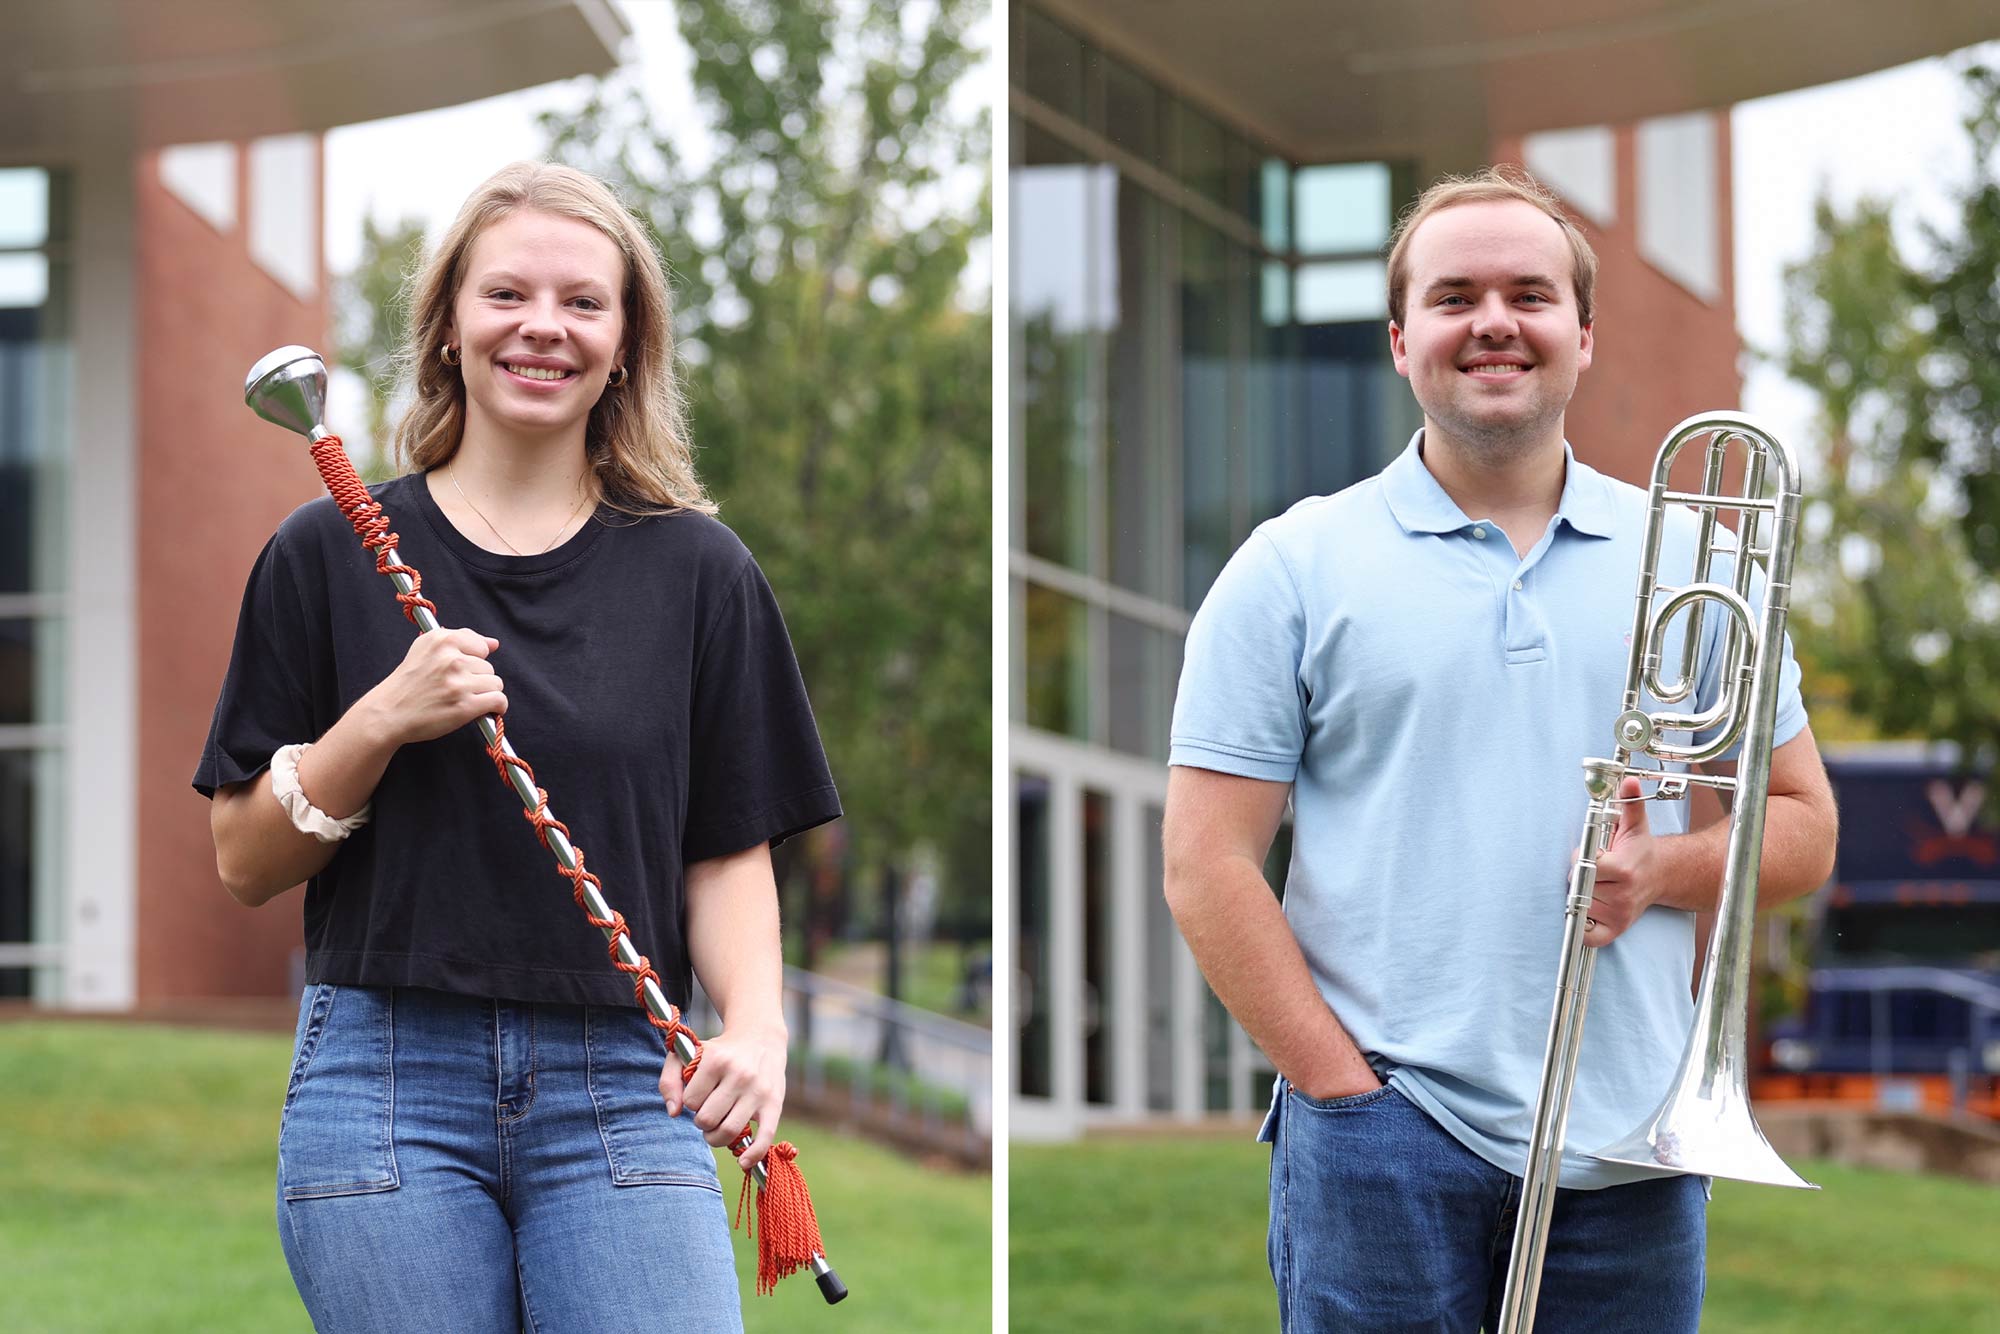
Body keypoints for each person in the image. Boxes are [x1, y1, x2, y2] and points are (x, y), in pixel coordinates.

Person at [1162, 166, 1839, 1333]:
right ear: (1397, 339)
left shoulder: (1692, 551)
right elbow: (1204, 862)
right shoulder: (1293, 565)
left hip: (1632, 1142)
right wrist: (1339, 1090)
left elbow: (1807, 824)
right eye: (1452, 295)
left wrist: (1664, 871)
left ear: (1581, 333)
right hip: (1383, 1132)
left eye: (1528, 294)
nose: (1491, 322)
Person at [196, 161, 840, 1333]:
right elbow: (243, 857)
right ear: (447, 326)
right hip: (383, 1078)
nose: (543, 326)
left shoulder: (701, 573)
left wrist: (755, 1025)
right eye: (506, 295)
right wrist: (381, 717)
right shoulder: (326, 551)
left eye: (584, 303)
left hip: (626, 1081)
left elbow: (725, 849)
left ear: (628, 342)